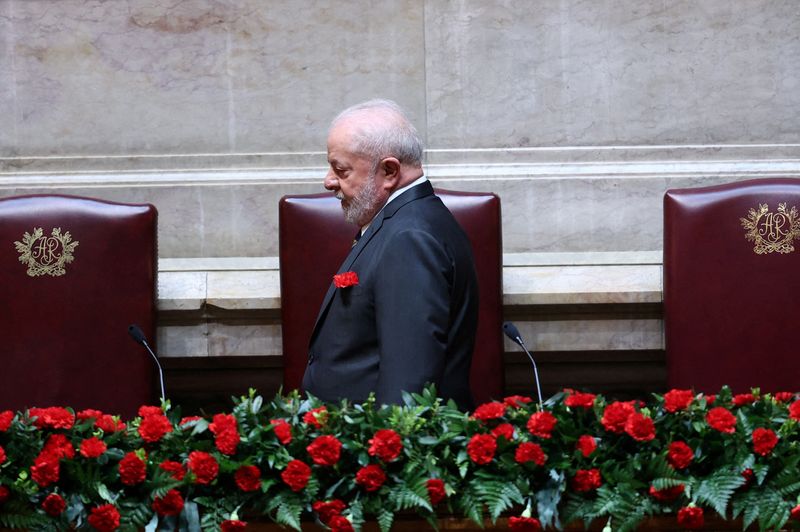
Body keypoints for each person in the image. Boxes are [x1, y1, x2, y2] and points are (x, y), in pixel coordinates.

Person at [301, 99, 479, 410]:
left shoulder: (410, 238)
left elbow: (407, 385)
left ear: (389, 171)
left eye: (340, 170)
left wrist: (384, 453)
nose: (328, 181)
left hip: (373, 445)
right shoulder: (406, 221)